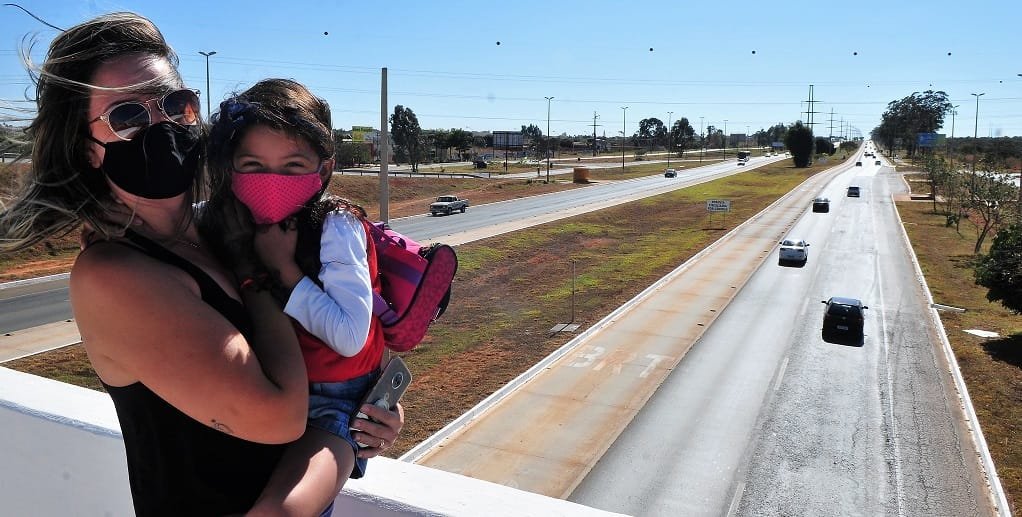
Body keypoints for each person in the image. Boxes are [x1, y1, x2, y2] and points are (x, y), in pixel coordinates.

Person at [0, 12, 402, 516]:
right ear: (89, 150)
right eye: (127, 117)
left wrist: (372, 406)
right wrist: (260, 275)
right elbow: (278, 416)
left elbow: (337, 338)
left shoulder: (218, 228)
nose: (162, 126)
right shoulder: (115, 275)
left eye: (174, 104)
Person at [199, 78, 388, 515]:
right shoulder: (230, 221)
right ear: (230, 167)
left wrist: (284, 270)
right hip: (267, 389)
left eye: (292, 166)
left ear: (323, 170)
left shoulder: (336, 227)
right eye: (252, 164)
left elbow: (348, 336)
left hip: (332, 400)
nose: (271, 181)